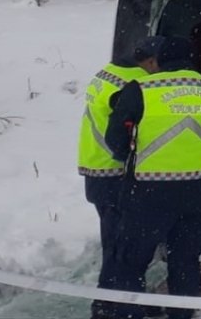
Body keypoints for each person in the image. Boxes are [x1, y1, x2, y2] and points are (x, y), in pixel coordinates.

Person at [98, 37, 201, 319]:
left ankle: (126, 314)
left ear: (158, 61)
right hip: (199, 190)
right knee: (184, 262)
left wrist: (128, 157)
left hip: (150, 192)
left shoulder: (141, 90)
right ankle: (181, 316)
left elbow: (115, 139)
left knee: (130, 263)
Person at [81, 37, 162, 319]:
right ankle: (115, 304)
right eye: (158, 64)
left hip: (94, 167)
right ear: (150, 61)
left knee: (113, 241)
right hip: (115, 172)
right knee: (124, 245)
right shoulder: (134, 83)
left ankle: (113, 300)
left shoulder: (107, 73)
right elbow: (126, 131)